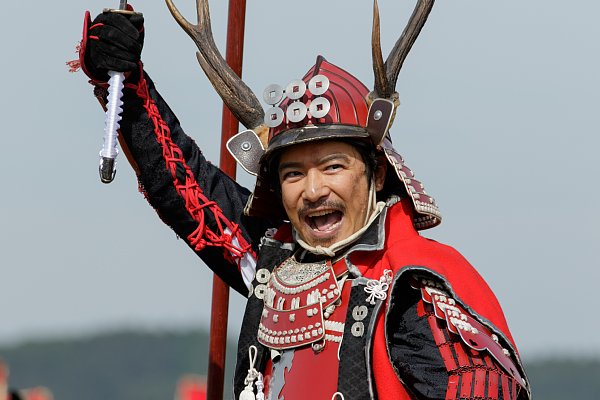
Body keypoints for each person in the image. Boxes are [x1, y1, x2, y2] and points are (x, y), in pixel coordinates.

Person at [73, 1, 531, 399]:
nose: (312, 191)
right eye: (293, 173)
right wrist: (124, 81)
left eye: (332, 167)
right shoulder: (274, 260)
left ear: (376, 172)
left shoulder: (418, 287)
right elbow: (182, 186)